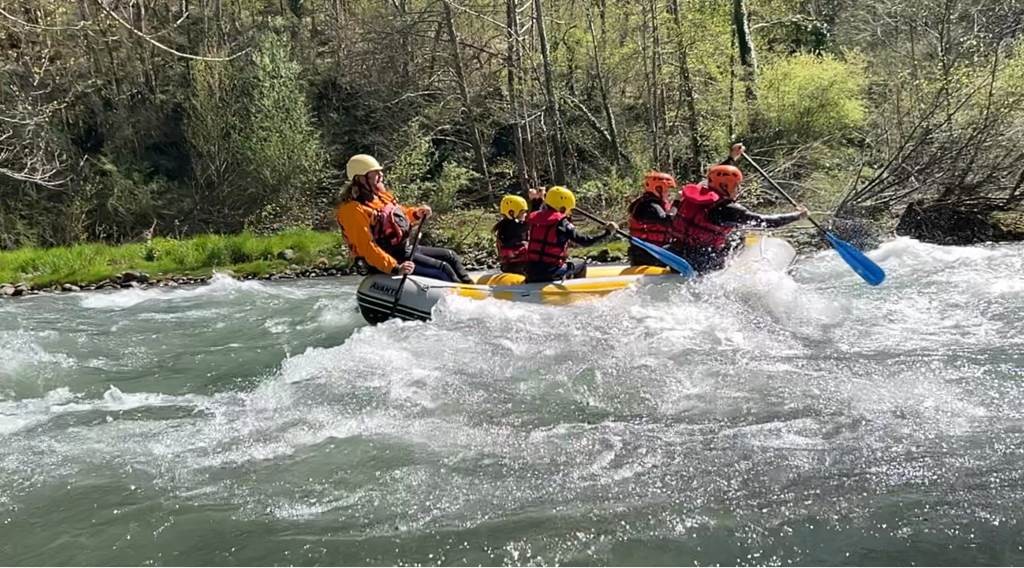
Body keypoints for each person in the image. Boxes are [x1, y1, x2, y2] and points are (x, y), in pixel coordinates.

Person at [666, 144, 808, 274]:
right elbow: (766, 221)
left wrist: (732, 157)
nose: (738, 189)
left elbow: (715, 175)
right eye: (736, 185)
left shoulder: (696, 193)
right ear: (726, 187)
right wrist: (797, 215)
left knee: (733, 239)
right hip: (701, 263)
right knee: (738, 240)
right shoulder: (728, 209)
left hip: (674, 254)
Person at [335, 154, 473, 283]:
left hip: (402, 250)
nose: (381, 175)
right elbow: (367, 247)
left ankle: (471, 288)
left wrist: (416, 213)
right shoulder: (352, 210)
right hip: (388, 259)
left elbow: (398, 216)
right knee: (443, 269)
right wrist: (395, 268)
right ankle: (465, 297)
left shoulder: (381, 197)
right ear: (360, 178)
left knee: (450, 256)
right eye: (375, 173)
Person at [523, 186, 618, 283]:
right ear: (563, 207)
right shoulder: (562, 223)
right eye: (569, 209)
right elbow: (585, 241)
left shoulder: (534, 218)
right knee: (581, 263)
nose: (570, 212)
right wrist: (607, 233)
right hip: (550, 272)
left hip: (530, 270)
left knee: (565, 262)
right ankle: (577, 291)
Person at [626, 171, 677, 266]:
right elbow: (667, 220)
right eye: (667, 190)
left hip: (654, 252)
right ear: (658, 189)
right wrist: (677, 204)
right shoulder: (648, 205)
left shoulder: (652, 204)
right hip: (646, 255)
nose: (668, 193)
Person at [492, 194, 530, 275]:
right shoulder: (513, 227)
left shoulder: (502, 226)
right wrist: (537, 202)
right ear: (512, 213)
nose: (525, 215)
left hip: (507, 266)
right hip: (521, 267)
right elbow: (531, 223)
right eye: (523, 212)